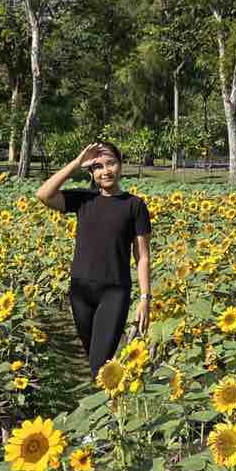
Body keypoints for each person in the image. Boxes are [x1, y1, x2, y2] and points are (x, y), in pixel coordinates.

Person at [35, 140, 152, 379]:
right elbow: (43, 194)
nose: (105, 170)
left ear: (120, 166)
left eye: (111, 163)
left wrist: (145, 298)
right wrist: (76, 163)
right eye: (98, 166)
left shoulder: (135, 206)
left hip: (114, 291)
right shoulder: (83, 199)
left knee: (100, 363)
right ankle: (112, 406)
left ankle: (109, 411)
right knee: (96, 361)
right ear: (91, 172)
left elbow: (142, 256)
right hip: (80, 291)